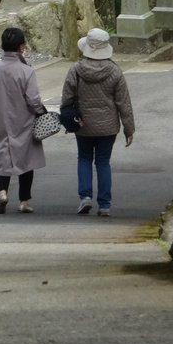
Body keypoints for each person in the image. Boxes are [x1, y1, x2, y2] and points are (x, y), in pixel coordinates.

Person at [60, 27, 134, 218]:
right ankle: (105, 204)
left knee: (84, 158)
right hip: (108, 126)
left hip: (83, 124)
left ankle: (85, 197)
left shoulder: (76, 70)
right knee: (103, 162)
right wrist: (129, 128)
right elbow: (123, 102)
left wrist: (69, 115)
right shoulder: (115, 72)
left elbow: (67, 98)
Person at [0, 27, 48, 214]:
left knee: (2, 152)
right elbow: (33, 99)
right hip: (23, 118)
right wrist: (41, 112)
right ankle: (24, 201)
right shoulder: (26, 70)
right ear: (21, 46)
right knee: (26, 157)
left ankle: (2, 191)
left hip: (0, 117)